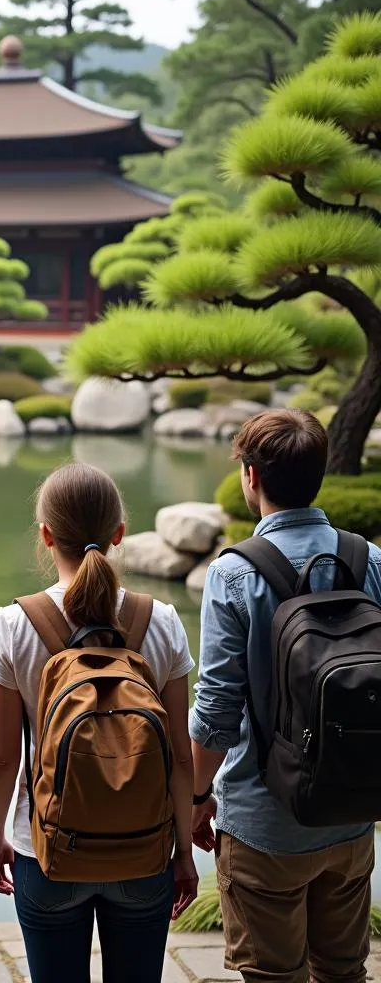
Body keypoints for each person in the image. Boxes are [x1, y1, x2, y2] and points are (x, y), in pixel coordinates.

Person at [0, 462, 199, 982]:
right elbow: (181, 753)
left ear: (46, 535)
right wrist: (184, 852)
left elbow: (1, 756)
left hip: (48, 849)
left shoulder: (13, 624)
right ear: (119, 534)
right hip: (145, 850)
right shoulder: (161, 620)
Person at [191, 408, 381, 983]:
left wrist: (198, 796)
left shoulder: (232, 574)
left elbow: (216, 711)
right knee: (344, 971)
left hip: (264, 822)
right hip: (352, 813)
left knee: (273, 976)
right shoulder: (369, 561)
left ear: (250, 476)